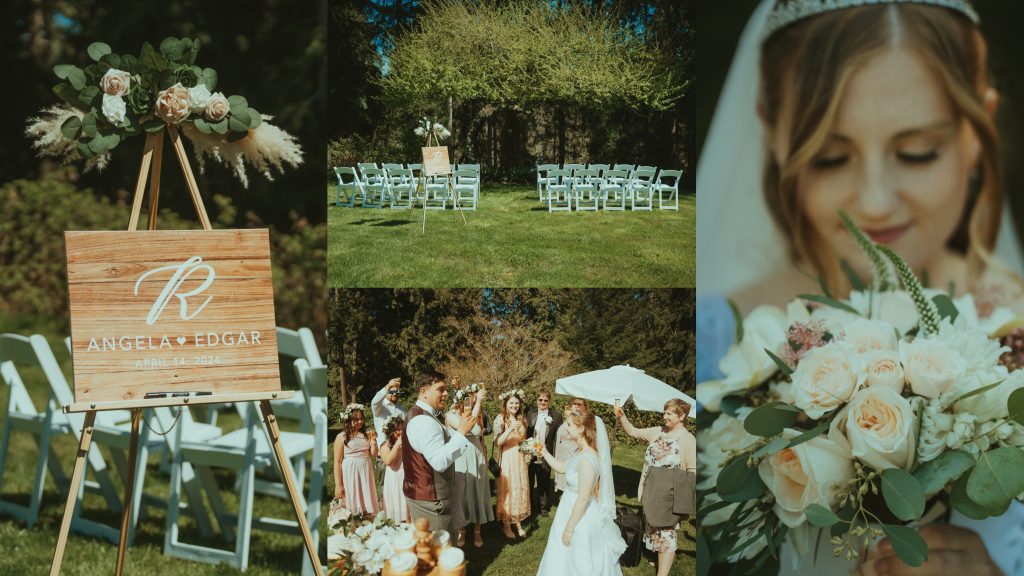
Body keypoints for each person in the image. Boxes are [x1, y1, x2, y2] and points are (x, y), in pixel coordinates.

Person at [698, 1, 1024, 573]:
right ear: (772, 134)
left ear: (979, 130)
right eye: (829, 157)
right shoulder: (711, 340)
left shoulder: (1015, 323)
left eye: (917, 152)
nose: (873, 202)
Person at [535, 407, 626, 576]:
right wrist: (544, 452)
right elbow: (562, 467)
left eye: (569, 425)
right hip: (569, 507)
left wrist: (569, 528)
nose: (566, 427)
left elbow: (583, 498)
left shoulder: (587, 459)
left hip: (579, 515)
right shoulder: (580, 452)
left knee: (578, 557)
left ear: (582, 428)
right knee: (562, 556)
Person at [616, 399, 695, 576]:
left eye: (669, 413)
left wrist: (684, 498)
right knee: (652, 527)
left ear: (681, 416)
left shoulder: (688, 439)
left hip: (670, 492)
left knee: (666, 532)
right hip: (651, 489)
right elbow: (633, 432)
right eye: (664, 412)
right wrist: (622, 416)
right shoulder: (657, 431)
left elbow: (692, 471)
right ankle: (657, 559)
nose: (664, 416)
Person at [402, 370, 476, 541]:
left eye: (445, 390)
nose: (445, 394)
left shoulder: (422, 414)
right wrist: (462, 432)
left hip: (423, 495)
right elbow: (439, 461)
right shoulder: (423, 421)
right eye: (440, 389)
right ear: (423, 391)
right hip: (431, 501)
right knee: (440, 555)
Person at [445, 382, 493, 548]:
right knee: (461, 495)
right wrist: (478, 403)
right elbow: (468, 428)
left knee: (477, 492)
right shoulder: (450, 414)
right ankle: (462, 531)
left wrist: (485, 458)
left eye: (475, 395)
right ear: (461, 398)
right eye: (470, 395)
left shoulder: (477, 413)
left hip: (477, 455)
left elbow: (479, 436)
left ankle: (477, 531)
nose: (473, 398)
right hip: (461, 458)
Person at [494, 389, 530, 539]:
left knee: (519, 487)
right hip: (508, 457)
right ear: (505, 404)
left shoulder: (522, 418)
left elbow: (522, 440)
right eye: (511, 403)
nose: (514, 405)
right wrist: (509, 428)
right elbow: (497, 443)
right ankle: (506, 525)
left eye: (517, 403)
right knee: (507, 489)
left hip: (520, 459)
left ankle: (517, 522)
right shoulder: (501, 418)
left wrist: (528, 450)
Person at [333, 404, 379, 515]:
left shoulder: (366, 434)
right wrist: (338, 485)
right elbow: (337, 462)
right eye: (356, 419)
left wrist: (373, 441)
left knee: (367, 497)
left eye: (361, 419)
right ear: (348, 420)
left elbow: (373, 454)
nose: (360, 422)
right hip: (351, 471)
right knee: (352, 498)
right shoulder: (342, 437)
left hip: (365, 470)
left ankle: (367, 522)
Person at [526, 390, 563, 517]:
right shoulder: (529, 412)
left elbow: (559, 437)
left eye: (545, 400)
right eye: (540, 400)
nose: (542, 402)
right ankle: (529, 505)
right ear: (536, 401)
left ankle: (543, 507)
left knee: (544, 480)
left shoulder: (556, 415)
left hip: (546, 452)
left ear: (549, 401)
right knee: (529, 480)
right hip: (530, 451)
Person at [380, 414, 411, 524]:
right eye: (398, 430)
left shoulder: (407, 442)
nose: (401, 432)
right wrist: (397, 445)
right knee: (397, 507)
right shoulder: (385, 446)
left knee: (408, 509)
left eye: (402, 429)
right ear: (391, 432)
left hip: (407, 476)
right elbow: (388, 461)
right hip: (394, 478)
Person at [554, 397, 589, 492]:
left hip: (575, 456)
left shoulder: (585, 421)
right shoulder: (569, 418)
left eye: (579, 404)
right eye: (575, 404)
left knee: (573, 486)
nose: (576, 406)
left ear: (585, 407)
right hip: (563, 455)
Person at [371, 377, 406, 446]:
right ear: (386, 392)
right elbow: (374, 402)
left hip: (399, 447)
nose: (394, 394)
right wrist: (388, 385)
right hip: (383, 447)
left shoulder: (402, 409)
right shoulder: (380, 406)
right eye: (391, 391)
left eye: (397, 392)